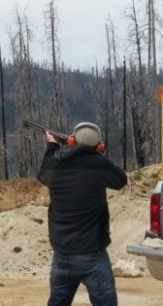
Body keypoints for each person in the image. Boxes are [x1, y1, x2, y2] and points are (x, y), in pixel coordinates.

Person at [38, 122, 127, 306]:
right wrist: (98, 155)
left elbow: (42, 174)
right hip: (92, 253)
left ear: (72, 140)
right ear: (99, 146)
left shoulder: (56, 163)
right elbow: (120, 180)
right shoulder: (99, 164)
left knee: (58, 301)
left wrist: (52, 146)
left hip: (61, 252)